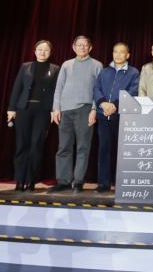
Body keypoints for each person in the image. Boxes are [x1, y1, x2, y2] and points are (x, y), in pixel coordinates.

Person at [49, 36, 103, 193]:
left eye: (85, 45)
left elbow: (99, 90)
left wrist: (94, 109)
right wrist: (56, 108)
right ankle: (63, 181)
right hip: (65, 110)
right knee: (63, 147)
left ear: (90, 48)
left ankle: (78, 181)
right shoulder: (66, 64)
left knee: (83, 147)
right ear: (73, 47)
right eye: (79, 45)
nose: (82, 47)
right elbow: (59, 87)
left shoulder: (97, 65)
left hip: (85, 109)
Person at [7, 40, 60, 192]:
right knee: (22, 145)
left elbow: (56, 91)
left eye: (46, 50)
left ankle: (31, 181)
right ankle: (19, 180)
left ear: (50, 52)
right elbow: (17, 88)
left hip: (43, 111)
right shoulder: (25, 66)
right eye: (40, 49)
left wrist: (54, 109)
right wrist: (11, 108)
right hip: (24, 109)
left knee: (36, 145)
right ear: (35, 51)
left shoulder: (55, 69)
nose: (43, 52)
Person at [93, 42, 139, 193]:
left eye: (122, 52)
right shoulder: (104, 71)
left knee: (123, 151)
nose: (118, 55)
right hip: (103, 115)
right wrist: (103, 103)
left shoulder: (133, 72)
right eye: (115, 52)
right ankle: (103, 184)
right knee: (103, 149)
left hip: (122, 117)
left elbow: (133, 91)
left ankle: (122, 183)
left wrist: (115, 105)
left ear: (128, 55)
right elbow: (96, 88)